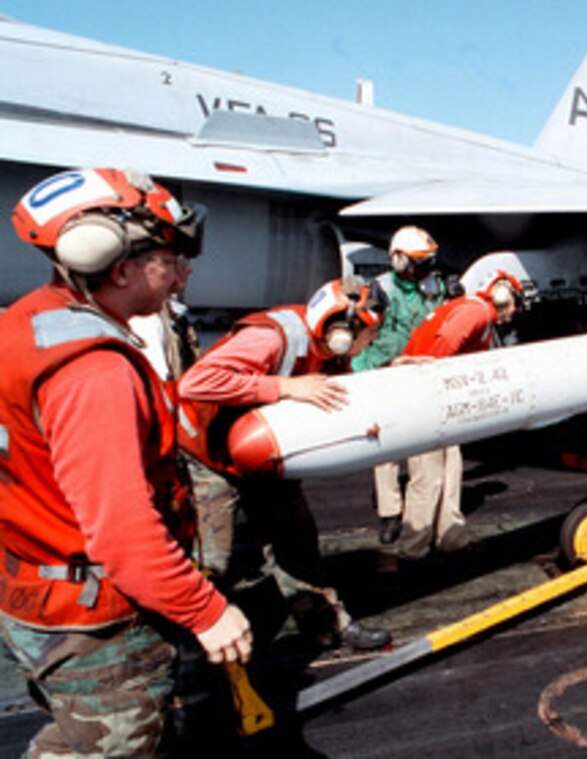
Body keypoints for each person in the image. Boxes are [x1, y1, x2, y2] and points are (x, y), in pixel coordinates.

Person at [0, 167, 251, 756]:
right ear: (120, 267)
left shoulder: (27, 325)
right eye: (172, 256)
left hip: (34, 593)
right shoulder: (94, 372)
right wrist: (207, 610)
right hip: (95, 625)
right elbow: (121, 532)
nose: (186, 270)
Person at [177, 276, 393, 651]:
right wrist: (284, 387)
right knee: (216, 559)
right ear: (342, 328)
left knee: (298, 541)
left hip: (264, 453)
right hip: (208, 456)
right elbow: (196, 383)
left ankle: (327, 623)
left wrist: (395, 371)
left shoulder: (330, 347)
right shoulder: (273, 337)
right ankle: (201, 647)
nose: (369, 342)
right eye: (368, 334)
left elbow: (338, 388)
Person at [394, 270, 523, 559]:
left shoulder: (479, 314)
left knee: (451, 468)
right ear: (501, 297)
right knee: (428, 477)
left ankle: (451, 536)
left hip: (440, 401)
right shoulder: (476, 312)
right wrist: (436, 381)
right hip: (424, 398)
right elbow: (443, 346)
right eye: (514, 303)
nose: (515, 311)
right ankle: (412, 549)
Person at [351, 225, 449, 545]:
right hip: (383, 369)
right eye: (420, 262)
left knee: (423, 447)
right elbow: (360, 339)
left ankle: (418, 516)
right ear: (400, 261)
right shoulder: (379, 292)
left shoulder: (431, 286)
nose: (426, 269)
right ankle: (389, 512)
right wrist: (384, 364)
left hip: (419, 370)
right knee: (387, 446)